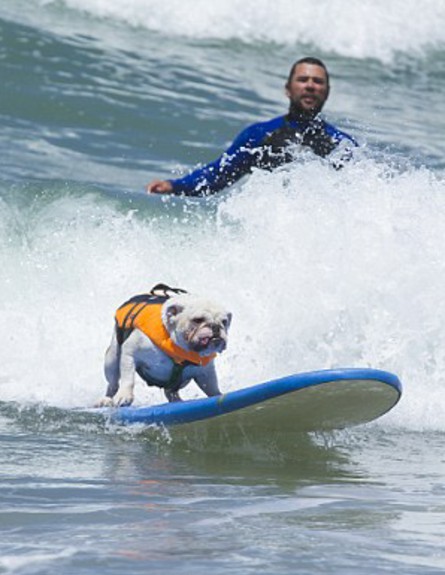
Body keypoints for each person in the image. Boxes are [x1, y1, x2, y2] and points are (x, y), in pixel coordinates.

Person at [147, 57, 357, 197]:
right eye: (303, 79)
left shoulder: (340, 144)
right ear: (288, 89)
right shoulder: (260, 135)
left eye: (318, 82)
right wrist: (175, 186)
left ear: (327, 91)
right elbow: (218, 176)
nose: (310, 85)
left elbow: (360, 192)